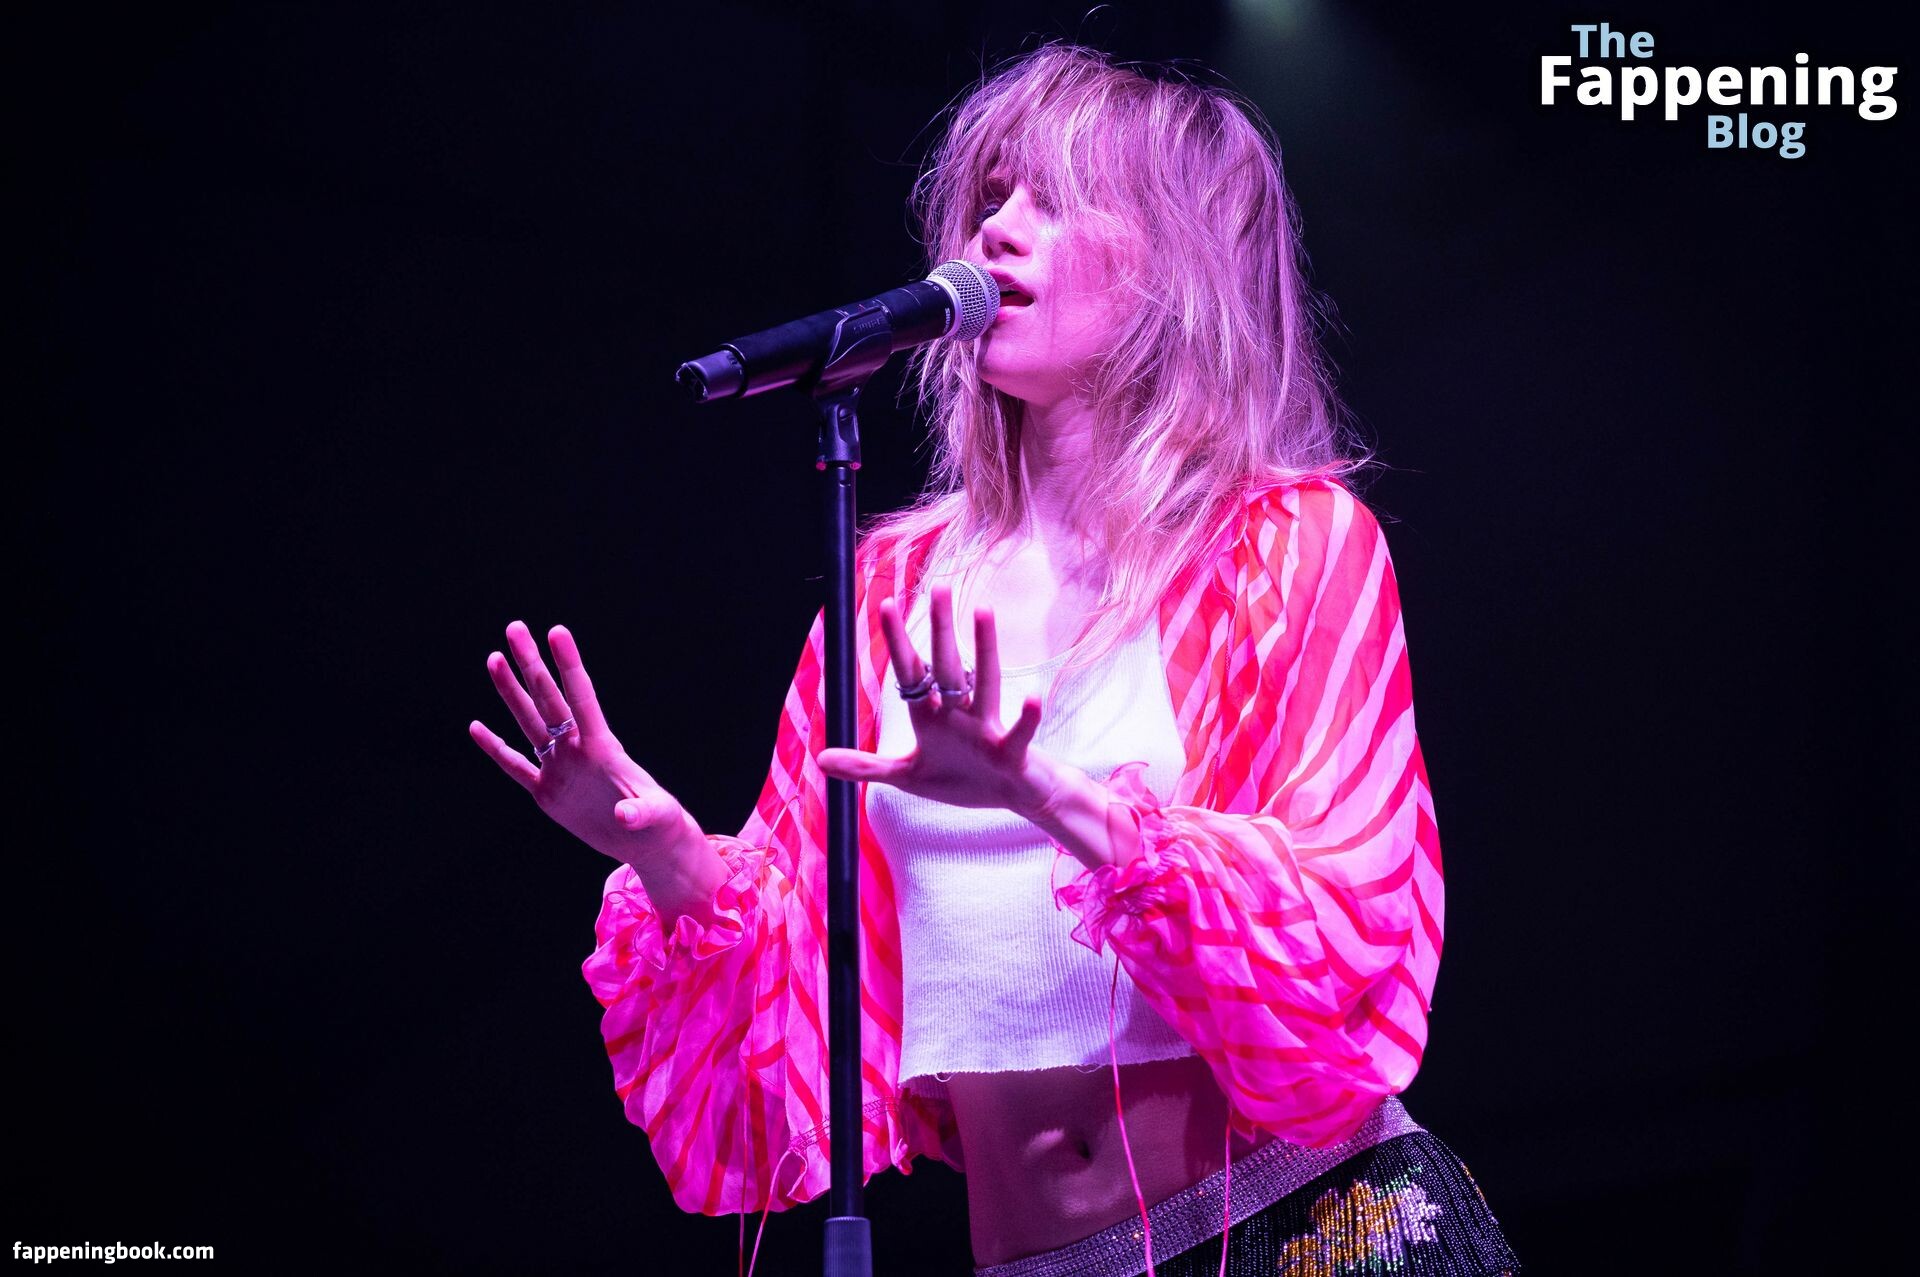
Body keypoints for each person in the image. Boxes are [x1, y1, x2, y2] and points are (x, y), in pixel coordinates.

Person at [471, 43, 1519, 1277]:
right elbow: (794, 1012)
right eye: (989, 198)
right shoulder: (891, 592)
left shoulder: (1282, 544)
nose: (998, 232)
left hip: (1308, 1228)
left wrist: (1039, 789)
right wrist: (667, 854)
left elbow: (1343, 928)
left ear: (1175, 263)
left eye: (1056, 199)